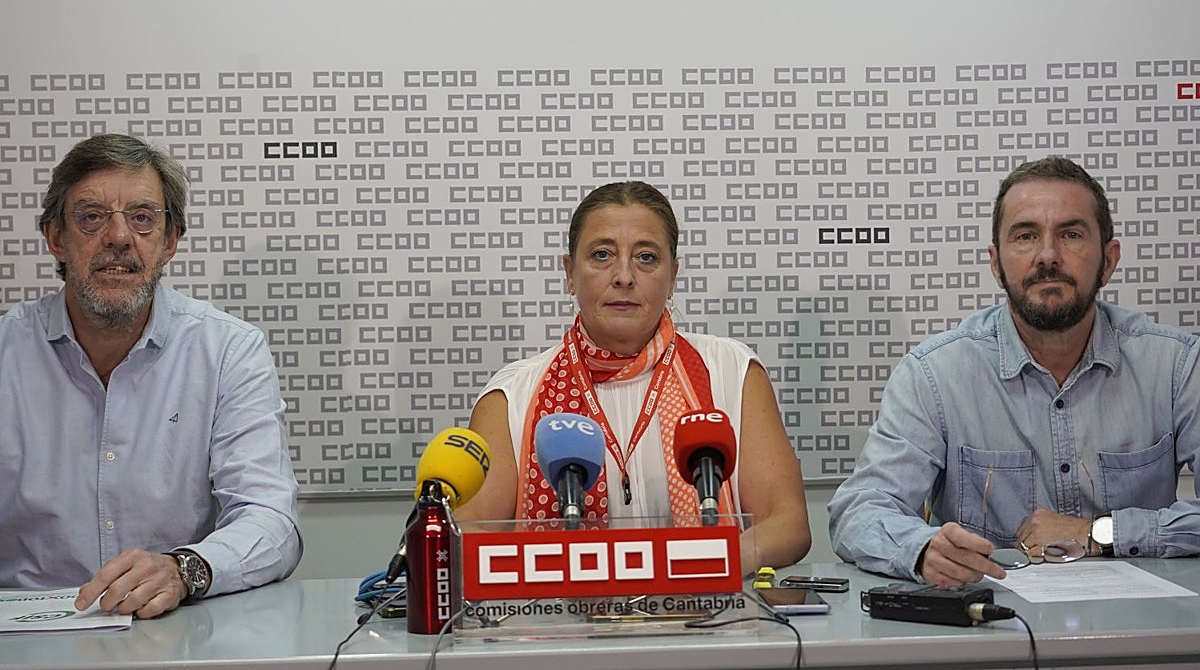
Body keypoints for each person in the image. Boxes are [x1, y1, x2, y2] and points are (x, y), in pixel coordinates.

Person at [828, 156, 1200, 587]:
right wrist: (922, 549)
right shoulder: (935, 374)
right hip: (993, 630)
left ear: (1109, 259)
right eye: (1025, 236)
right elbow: (858, 510)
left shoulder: (1175, 365)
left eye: (1071, 234)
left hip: (1145, 630)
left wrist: (1102, 532)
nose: (1047, 256)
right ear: (996, 262)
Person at [0, 133, 302, 618]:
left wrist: (184, 570)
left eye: (142, 219)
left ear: (169, 243)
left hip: (178, 633)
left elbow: (271, 520)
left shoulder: (227, 351)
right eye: (92, 216)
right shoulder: (6, 353)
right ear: (55, 238)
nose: (119, 237)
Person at [456, 181, 811, 573]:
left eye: (645, 257)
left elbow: (787, 523)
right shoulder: (511, 396)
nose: (624, 276)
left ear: (673, 275)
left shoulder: (732, 370)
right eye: (602, 255)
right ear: (569, 273)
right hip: (559, 623)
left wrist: (705, 564)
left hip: (710, 620)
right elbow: (469, 533)